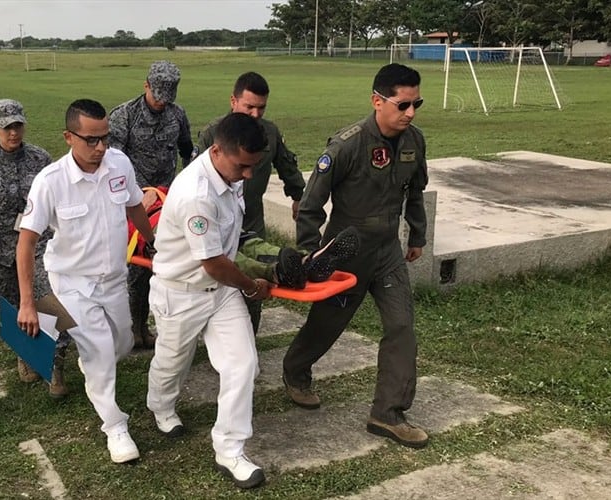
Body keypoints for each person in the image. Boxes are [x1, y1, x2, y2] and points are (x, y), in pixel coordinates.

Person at [282, 63, 430, 449]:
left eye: (416, 104)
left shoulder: (415, 141)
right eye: (403, 104)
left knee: (401, 326)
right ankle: (296, 370)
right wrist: (311, 253)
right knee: (328, 323)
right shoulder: (347, 144)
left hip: (388, 253)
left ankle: (388, 413)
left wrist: (417, 234)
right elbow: (312, 203)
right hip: (346, 252)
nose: (410, 113)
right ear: (377, 101)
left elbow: (414, 192)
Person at [15, 99, 156, 464]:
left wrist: (153, 243)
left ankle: (92, 365)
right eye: (91, 140)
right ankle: (115, 427)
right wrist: (29, 303)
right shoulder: (50, 182)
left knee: (123, 343)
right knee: (100, 353)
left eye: (105, 138)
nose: (100, 148)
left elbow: (134, 204)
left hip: (113, 280)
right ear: (68, 137)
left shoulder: (119, 164)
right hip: (72, 284)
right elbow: (26, 243)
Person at [146, 113, 273, 489]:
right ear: (217, 150)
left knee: (243, 364)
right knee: (172, 364)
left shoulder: (229, 174)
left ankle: (230, 449)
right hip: (180, 292)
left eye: (254, 166)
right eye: (243, 166)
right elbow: (215, 262)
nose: (248, 176)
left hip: (219, 294)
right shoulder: (196, 195)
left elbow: (230, 246)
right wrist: (251, 286)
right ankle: (161, 406)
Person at [0, 98, 74, 399]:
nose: (13, 133)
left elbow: (61, 202)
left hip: (38, 247)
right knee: (9, 307)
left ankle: (55, 364)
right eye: (6, 128)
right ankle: (26, 353)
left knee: (51, 303)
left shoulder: (40, 160)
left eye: (18, 126)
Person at [195, 72, 306, 333]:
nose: (256, 114)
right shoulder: (214, 133)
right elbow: (198, 176)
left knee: (255, 281)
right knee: (220, 278)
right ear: (233, 101)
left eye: (261, 107)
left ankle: (248, 338)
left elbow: (287, 165)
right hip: (218, 219)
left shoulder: (270, 132)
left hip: (252, 218)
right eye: (249, 107)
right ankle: (212, 335)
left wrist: (298, 195)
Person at [109, 60, 193, 350]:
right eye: (157, 96)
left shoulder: (177, 114)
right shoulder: (125, 116)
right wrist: (133, 194)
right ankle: (135, 327)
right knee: (135, 268)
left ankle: (152, 325)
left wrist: (189, 184)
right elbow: (111, 163)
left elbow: (187, 150)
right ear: (146, 85)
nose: (161, 103)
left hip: (167, 202)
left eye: (167, 98)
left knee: (163, 262)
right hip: (134, 203)